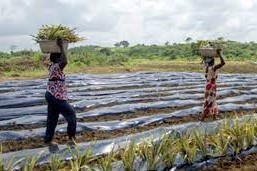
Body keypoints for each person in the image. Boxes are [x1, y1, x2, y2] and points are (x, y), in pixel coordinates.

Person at [44, 38, 77, 145]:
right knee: (71, 115)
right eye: (60, 56)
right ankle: (71, 139)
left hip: (51, 95)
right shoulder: (57, 67)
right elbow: (65, 61)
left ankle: (48, 140)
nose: (62, 58)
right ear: (58, 59)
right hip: (56, 97)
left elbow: (61, 60)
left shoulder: (52, 67)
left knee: (52, 118)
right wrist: (61, 46)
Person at [199, 48, 225, 121]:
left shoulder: (207, 68)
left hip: (208, 87)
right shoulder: (213, 68)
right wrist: (219, 54)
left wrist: (203, 57)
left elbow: (204, 61)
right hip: (211, 87)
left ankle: (214, 117)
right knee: (208, 102)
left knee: (212, 101)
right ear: (213, 62)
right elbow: (223, 63)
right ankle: (202, 118)